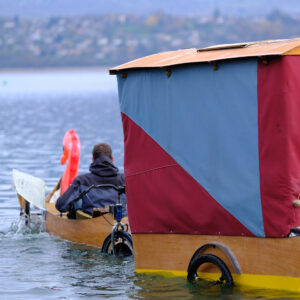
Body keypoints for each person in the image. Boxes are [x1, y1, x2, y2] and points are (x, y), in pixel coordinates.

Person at [55, 143, 126, 218]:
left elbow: (60, 206)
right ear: (112, 159)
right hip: (122, 224)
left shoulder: (81, 180)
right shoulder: (125, 180)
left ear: (93, 160)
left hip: (90, 224)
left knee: (76, 201)